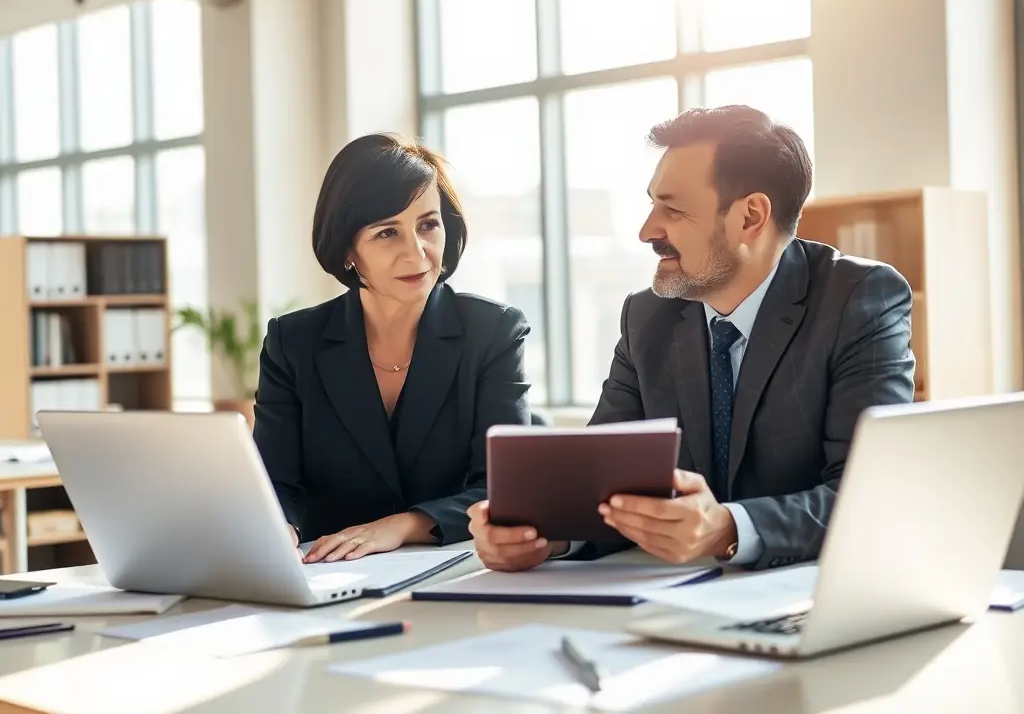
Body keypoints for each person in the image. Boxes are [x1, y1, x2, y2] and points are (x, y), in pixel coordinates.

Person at [468, 105, 915, 572]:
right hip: (674, 599)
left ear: (750, 217)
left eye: (673, 209)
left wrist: (728, 527)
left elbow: (870, 492)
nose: (646, 231)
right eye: (651, 204)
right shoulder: (646, 316)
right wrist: (544, 534)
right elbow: (601, 489)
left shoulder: (857, 300)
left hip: (816, 595)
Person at [253, 133, 531, 563]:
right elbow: (275, 482)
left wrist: (404, 525)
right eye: (386, 232)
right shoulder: (293, 342)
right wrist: (278, 532)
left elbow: (503, 484)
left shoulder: (493, 331)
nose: (416, 252)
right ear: (347, 251)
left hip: (454, 566)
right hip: (324, 571)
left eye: (427, 224)